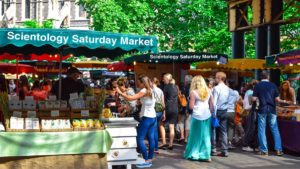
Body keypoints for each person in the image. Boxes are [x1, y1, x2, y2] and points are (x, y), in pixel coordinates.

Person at [116, 75, 156, 168]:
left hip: (146, 117)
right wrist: (140, 102)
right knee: (151, 138)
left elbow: (130, 98)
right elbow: (146, 101)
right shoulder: (151, 89)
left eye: (139, 82)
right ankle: (149, 159)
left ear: (143, 83)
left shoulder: (143, 90)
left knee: (139, 139)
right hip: (152, 116)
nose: (137, 84)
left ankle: (146, 160)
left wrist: (120, 93)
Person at [252, 71, 288, 156]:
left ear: (261, 77)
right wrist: (285, 101)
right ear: (268, 77)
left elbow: (253, 99)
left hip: (262, 109)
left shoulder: (258, 85)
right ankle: (278, 150)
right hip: (272, 109)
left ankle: (264, 150)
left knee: (262, 129)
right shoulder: (273, 85)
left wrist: (254, 99)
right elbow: (277, 99)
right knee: (274, 129)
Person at [184, 75, 213, 162]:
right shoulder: (209, 90)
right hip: (207, 115)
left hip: (197, 116)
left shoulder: (193, 92)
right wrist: (210, 113)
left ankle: (194, 154)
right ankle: (206, 155)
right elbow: (212, 105)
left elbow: (191, 107)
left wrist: (189, 100)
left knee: (195, 135)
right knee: (206, 136)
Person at [211, 72, 230, 157]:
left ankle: (213, 148)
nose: (215, 79)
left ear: (219, 78)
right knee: (224, 131)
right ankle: (225, 150)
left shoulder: (216, 88)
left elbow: (214, 102)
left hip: (217, 111)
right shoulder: (227, 88)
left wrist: (213, 114)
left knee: (213, 129)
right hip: (224, 111)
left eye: (216, 78)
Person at [159, 73, 178, 150]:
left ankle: (164, 142)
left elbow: (163, 101)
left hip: (168, 108)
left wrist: (163, 111)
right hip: (175, 108)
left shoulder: (166, 87)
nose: (163, 80)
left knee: (161, 124)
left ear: (167, 79)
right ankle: (171, 144)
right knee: (172, 127)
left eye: (164, 79)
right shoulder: (176, 87)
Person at [242, 80, 259, 152]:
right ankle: (246, 144)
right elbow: (250, 102)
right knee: (250, 128)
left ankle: (248, 144)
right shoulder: (251, 92)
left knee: (250, 128)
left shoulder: (248, 91)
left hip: (248, 111)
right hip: (250, 111)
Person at [152, 77, 165, 154]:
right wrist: (164, 113)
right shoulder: (160, 90)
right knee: (156, 129)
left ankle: (155, 147)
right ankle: (155, 147)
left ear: (153, 82)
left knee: (153, 130)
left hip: (153, 110)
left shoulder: (151, 90)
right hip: (160, 110)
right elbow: (163, 103)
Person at [226, 80, 240, 149]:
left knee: (223, 127)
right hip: (232, 111)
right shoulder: (235, 92)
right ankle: (229, 142)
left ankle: (223, 142)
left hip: (224, 110)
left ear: (227, 83)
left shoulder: (225, 91)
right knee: (231, 127)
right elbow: (237, 101)